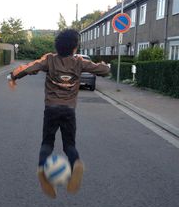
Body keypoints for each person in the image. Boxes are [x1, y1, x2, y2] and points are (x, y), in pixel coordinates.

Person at [7, 29, 110, 198]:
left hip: (51, 109)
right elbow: (103, 70)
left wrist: (12, 77)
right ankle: (75, 163)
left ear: (57, 45)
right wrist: (105, 65)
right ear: (75, 47)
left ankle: (42, 168)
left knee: (47, 141)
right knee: (69, 144)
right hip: (69, 110)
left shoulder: (49, 59)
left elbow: (29, 68)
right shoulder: (79, 62)